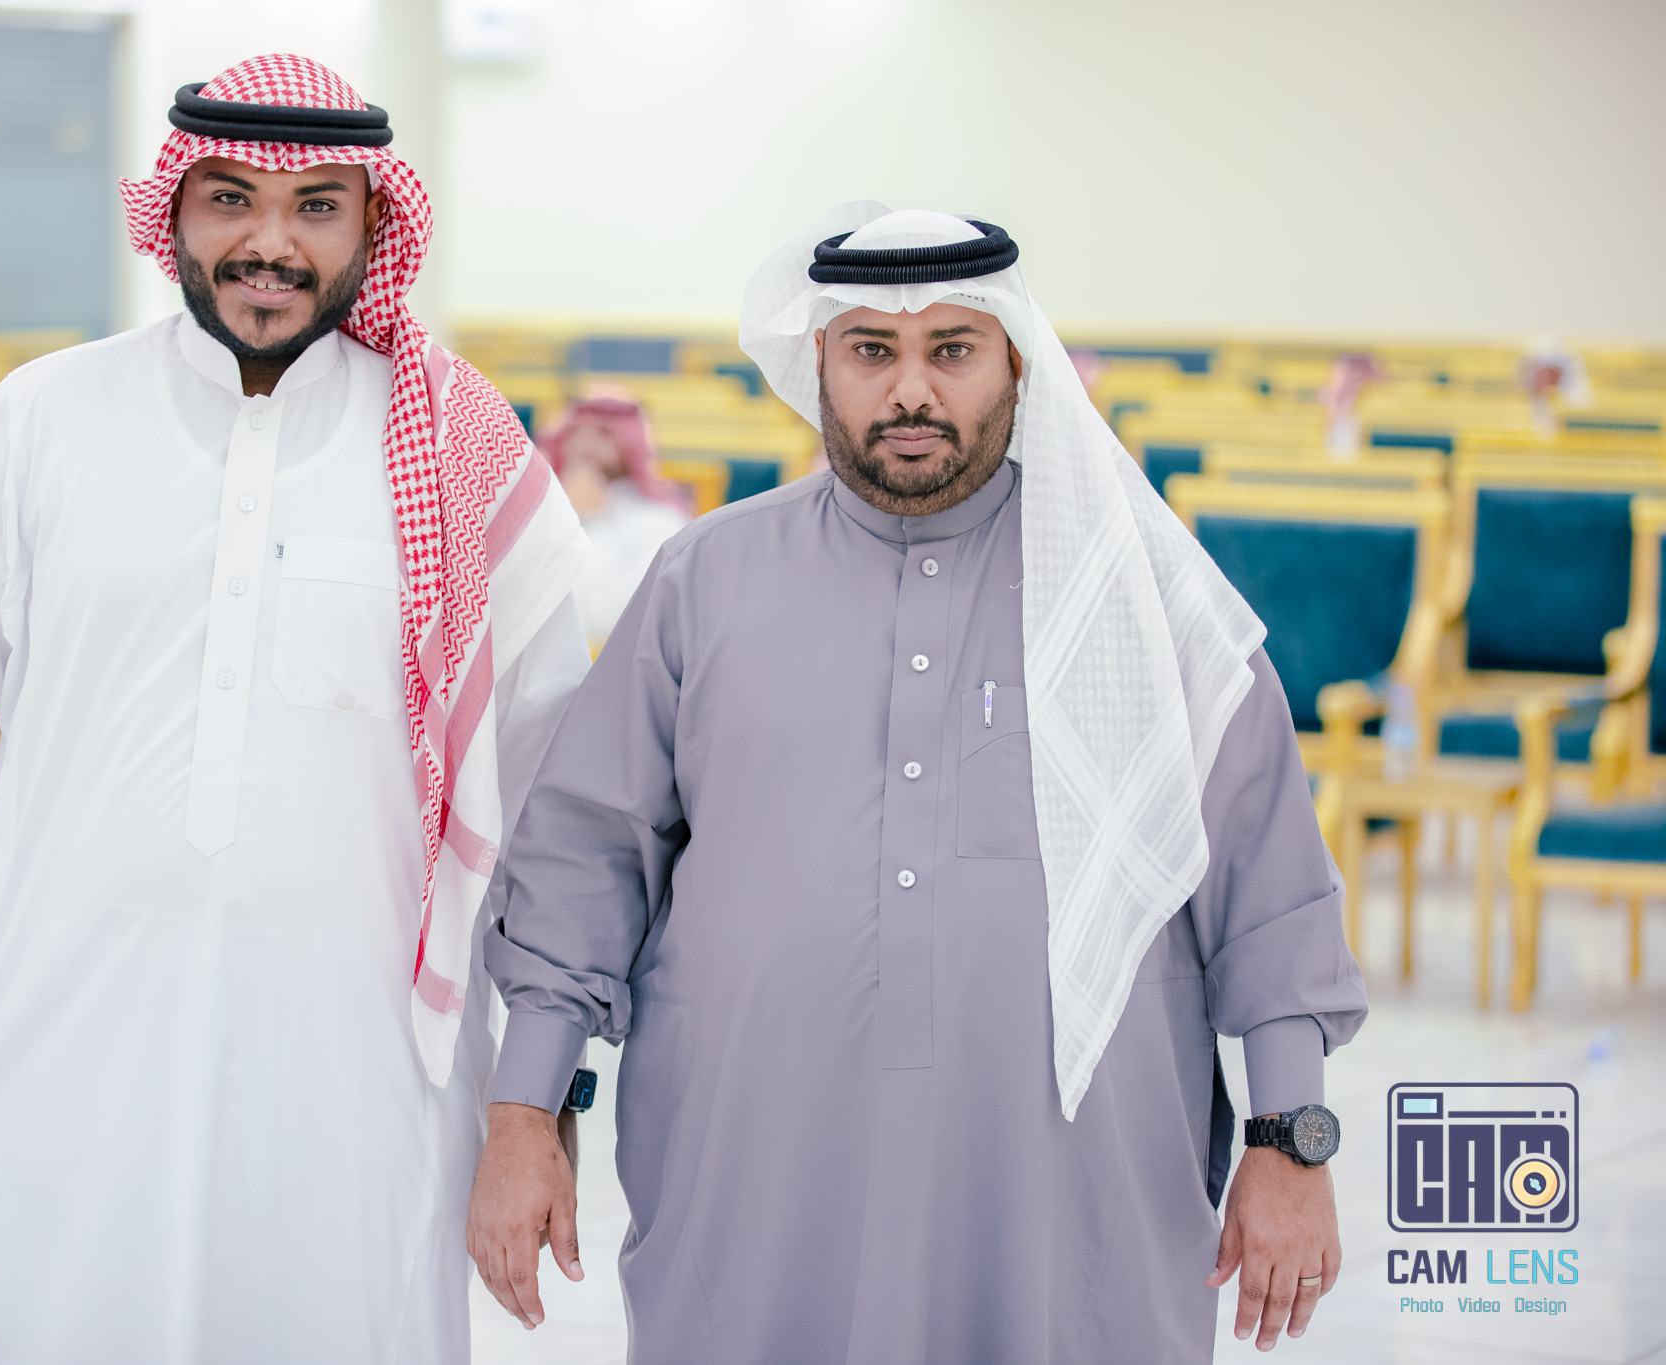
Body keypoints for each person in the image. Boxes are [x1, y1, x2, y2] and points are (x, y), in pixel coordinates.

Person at [468, 205, 1368, 1362]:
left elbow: (1271, 891)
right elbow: (581, 865)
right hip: (754, 1188)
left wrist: (1289, 1143)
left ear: (1014, 363)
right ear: (818, 362)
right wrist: (525, 1109)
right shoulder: (705, 579)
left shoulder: (1140, 599)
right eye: (870, 351)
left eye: (950, 350)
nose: (909, 391)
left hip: (1071, 1206)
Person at [0, 54, 588, 1364]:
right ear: (170, 208)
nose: (269, 242)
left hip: (357, 1088)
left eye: (316, 206)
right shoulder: (43, 420)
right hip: (60, 1052)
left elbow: (560, 804)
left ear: (373, 224)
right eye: (230, 197)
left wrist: (535, 1096)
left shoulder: (463, 451)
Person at [541, 395, 690, 642]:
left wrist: (589, 521)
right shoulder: (541, 511)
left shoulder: (660, 520)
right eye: (576, 432)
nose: (585, 446)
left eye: (603, 434)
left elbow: (608, 620)